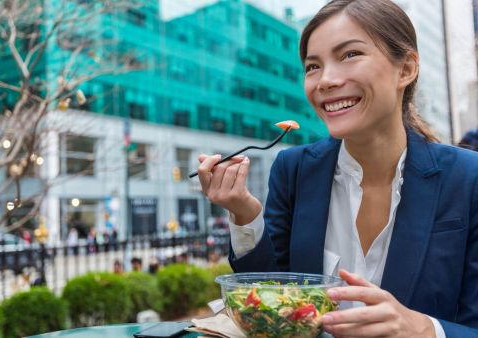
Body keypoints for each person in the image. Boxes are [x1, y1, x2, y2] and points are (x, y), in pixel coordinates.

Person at [197, 1, 478, 337]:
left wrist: (425, 329)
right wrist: (244, 214)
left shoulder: (469, 177)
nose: (325, 80)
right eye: (313, 66)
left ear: (405, 69)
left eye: (349, 55)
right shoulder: (293, 169)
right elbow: (271, 301)